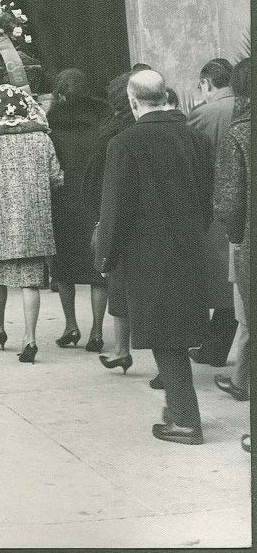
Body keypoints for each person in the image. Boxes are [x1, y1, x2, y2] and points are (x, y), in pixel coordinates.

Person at [96, 70, 212, 445]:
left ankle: (185, 420)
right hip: (190, 248)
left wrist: (106, 256)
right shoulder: (195, 137)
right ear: (164, 95)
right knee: (176, 333)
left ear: (133, 101)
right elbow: (207, 198)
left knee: (166, 337)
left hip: (147, 253)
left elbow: (115, 209)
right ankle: (177, 408)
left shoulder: (125, 142)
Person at [0, 85, 63, 363]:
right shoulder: (42, 139)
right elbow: (57, 178)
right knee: (30, 282)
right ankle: (30, 337)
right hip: (34, 223)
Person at [46, 69, 110, 351]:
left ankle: (71, 325)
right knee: (97, 270)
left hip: (62, 201)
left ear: (60, 92)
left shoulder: (51, 124)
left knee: (63, 270)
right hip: (95, 199)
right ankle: (97, 331)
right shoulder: (105, 120)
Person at [82, 72, 135, 373]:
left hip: (114, 214)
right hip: (147, 219)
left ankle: (122, 349)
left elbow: (93, 180)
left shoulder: (111, 133)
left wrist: (99, 217)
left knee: (117, 281)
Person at [187, 58, 237, 367]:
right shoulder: (244, 107)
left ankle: (213, 347)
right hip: (238, 205)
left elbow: (190, 159)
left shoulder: (205, 113)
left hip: (213, 205)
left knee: (215, 281)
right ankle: (218, 347)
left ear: (206, 84)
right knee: (230, 283)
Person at [212, 57, 250, 412]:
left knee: (249, 315)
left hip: (249, 241)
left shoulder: (239, 133)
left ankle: (242, 381)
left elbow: (228, 202)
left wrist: (236, 238)